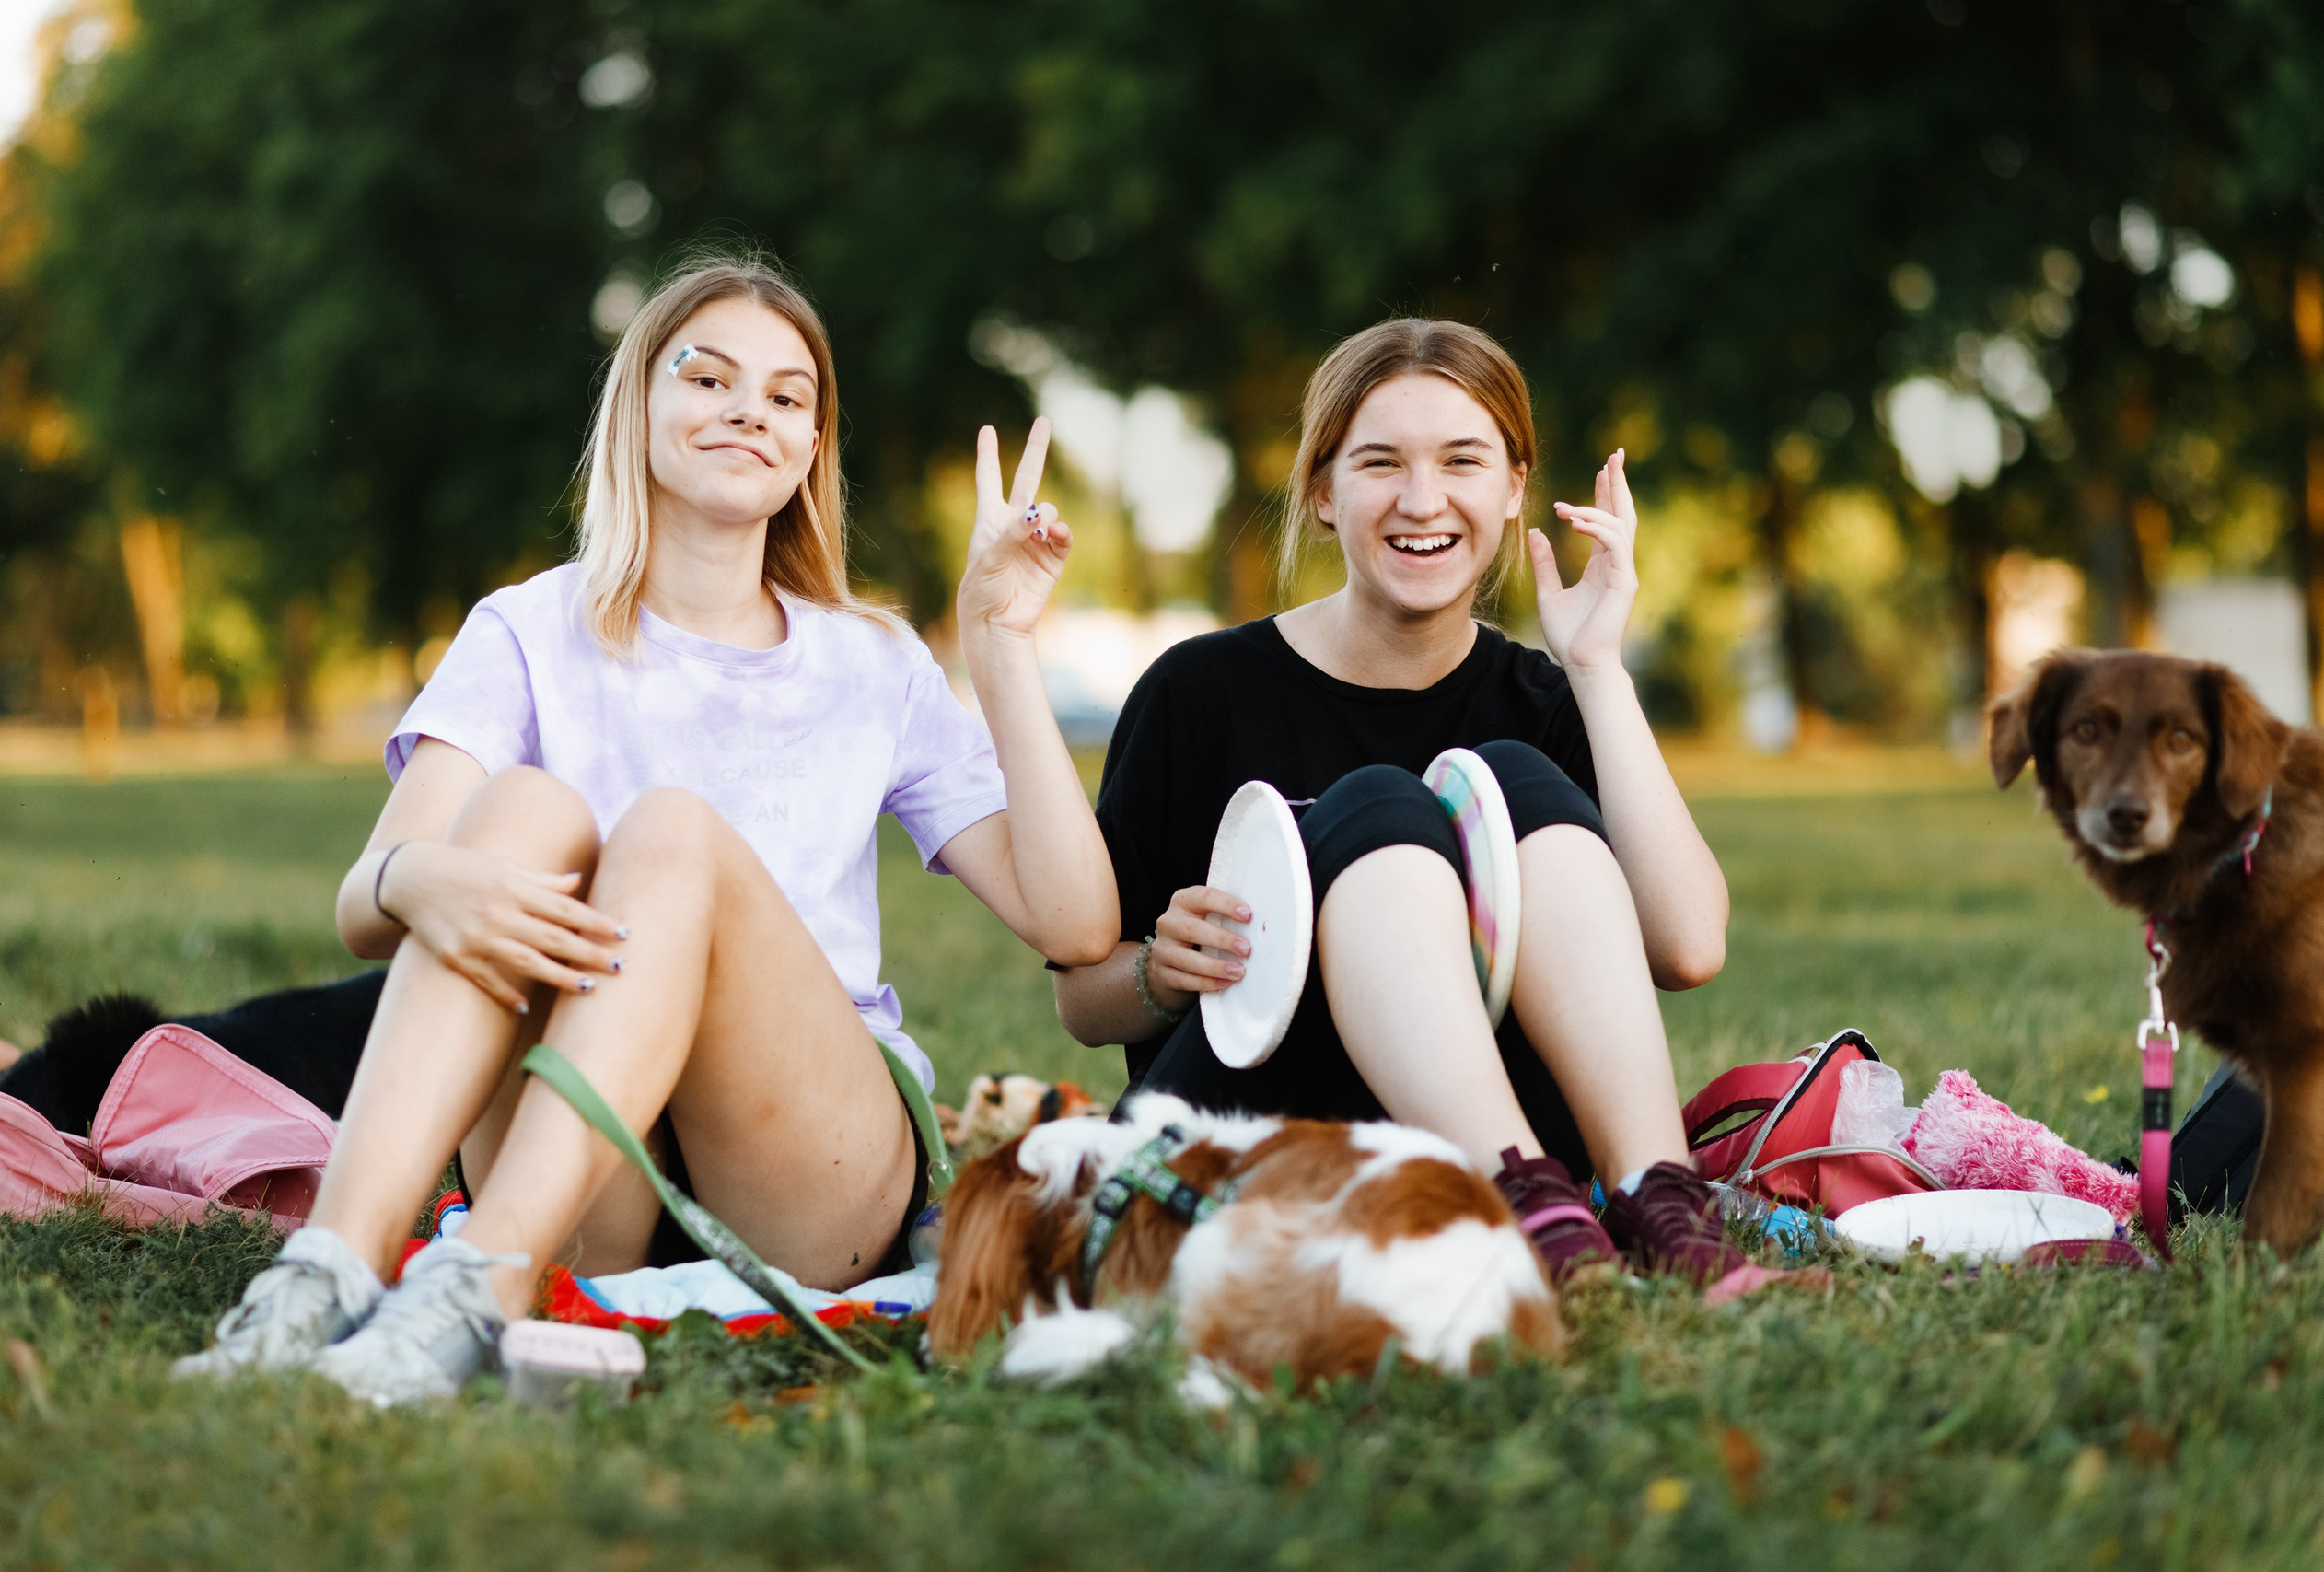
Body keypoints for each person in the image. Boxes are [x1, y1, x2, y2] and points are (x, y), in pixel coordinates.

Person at [178, 255, 1117, 1402]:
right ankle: (329, 1272)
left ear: (810, 448)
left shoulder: (871, 662)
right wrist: (424, 880)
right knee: (522, 810)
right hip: (588, 1190)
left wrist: (1000, 642)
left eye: (785, 397)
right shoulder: (526, 628)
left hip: (810, 1177)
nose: (748, 411)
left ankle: (473, 1292)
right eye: (708, 378)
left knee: (670, 833)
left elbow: (1076, 925)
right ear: (638, 404)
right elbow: (365, 896)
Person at [1052, 318, 1744, 1284]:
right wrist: (1159, 974)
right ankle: (1523, 1214)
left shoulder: (1548, 702)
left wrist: (1596, 668)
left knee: (1510, 777)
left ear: (1513, 488)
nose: (1423, 500)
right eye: (1380, 462)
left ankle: (1659, 1206)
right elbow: (1082, 1001)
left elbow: (1687, 947)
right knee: (1380, 807)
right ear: (1322, 491)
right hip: (1262, 1144)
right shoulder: (1198, 692)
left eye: (1463, 460)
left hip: (1519, 1151)